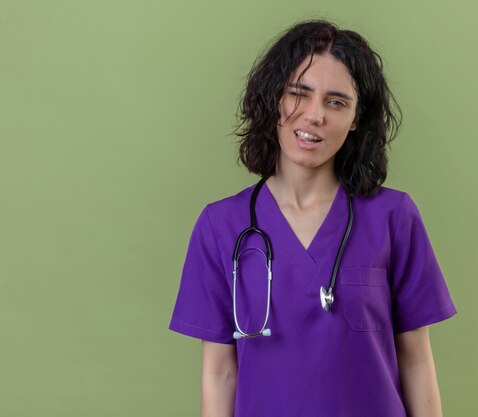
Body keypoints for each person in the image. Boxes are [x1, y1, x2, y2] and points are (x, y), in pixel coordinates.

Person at [168, 19, 457, 417]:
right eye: (299, 94)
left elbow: (416, 361)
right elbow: (220, 374)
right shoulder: (221, 226)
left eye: (336, 102)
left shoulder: (393, 217)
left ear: (356, 119)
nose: (314, 115)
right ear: (275, 100)